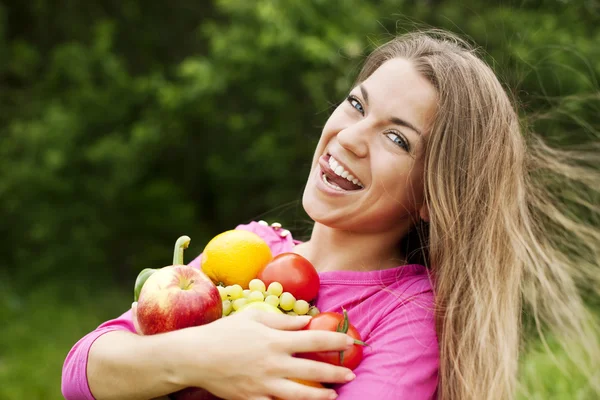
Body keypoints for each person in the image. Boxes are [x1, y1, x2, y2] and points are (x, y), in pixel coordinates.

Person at [61, 29, 600, 400]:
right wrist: (206, 356)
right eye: (357, 105)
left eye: (396, 138)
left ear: (434, 195)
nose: (351, 136)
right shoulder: (247, 250)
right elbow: (82, 371)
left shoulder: (407, 315)